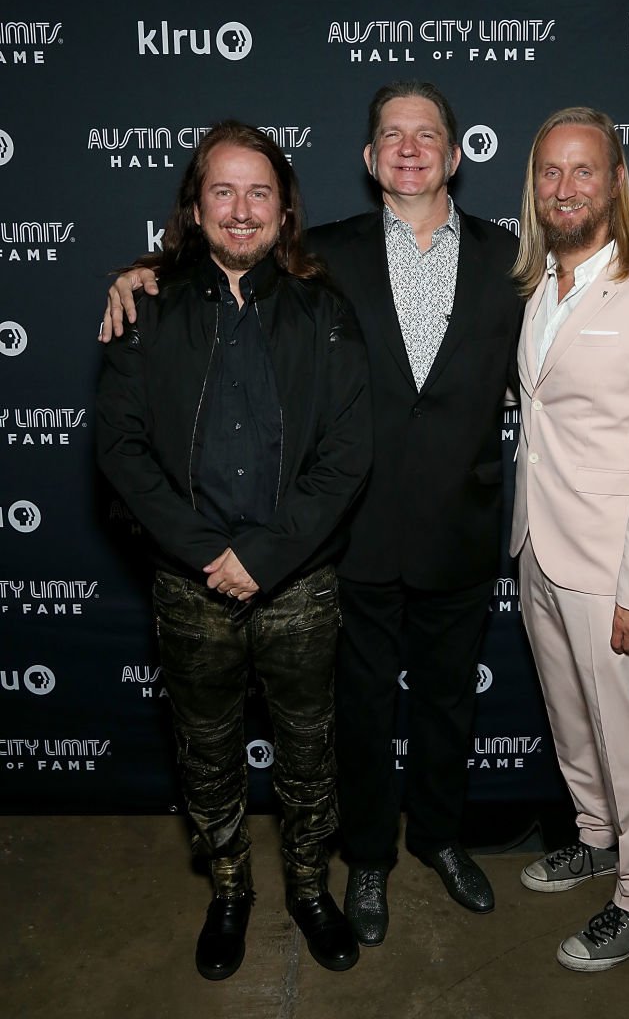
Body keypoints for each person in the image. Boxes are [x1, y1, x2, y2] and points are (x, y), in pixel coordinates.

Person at [100, 81, 523, 949]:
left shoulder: (509, 257)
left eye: (427, 134)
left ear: (454, 153)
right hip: (354, 536)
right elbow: (214, 262)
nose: (408, 148)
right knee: (356, 713)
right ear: (368, 161)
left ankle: (439, 839)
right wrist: (137, 272)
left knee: (448, 705)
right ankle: (364, 858)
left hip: (460, 525)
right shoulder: (320, 256)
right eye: (390, 136)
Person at [96, 121, 371, 977]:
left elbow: (348, 452)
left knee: (307, 748)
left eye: (259, 192)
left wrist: (268, 554)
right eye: (223, 190)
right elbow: (121, 448)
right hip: (190, 587)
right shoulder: (146, 307)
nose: (241, 209)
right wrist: (204, 551)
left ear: (285, 209)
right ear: (195, 204)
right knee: (207, 751)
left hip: (298, 585)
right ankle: (227, 891)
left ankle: (308, 889)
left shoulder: (325, 311)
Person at [509, 107, 629, 972]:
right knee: (571, 722)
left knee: (627, 733)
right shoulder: (538, 284)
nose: (565, 188)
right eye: (550, 172)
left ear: (617, 180)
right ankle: (596, 839)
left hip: (611, 567)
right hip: (538, 548)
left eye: (583, 170)